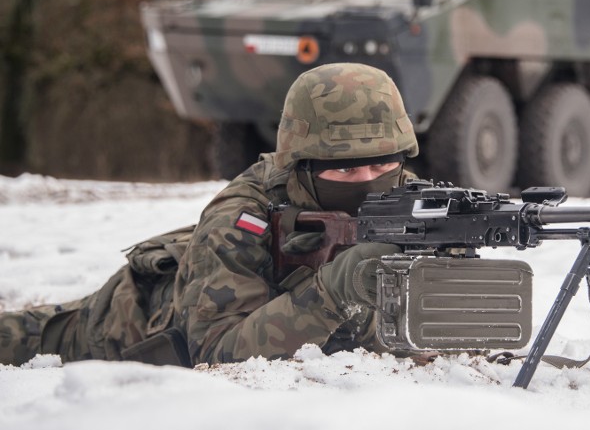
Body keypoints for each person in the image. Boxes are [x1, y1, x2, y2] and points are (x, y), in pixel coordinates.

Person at [0, 63, 419, 367]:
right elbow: (215, 352)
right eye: (345, 169)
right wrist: (332, 293)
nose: (368, 180)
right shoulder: (241, 217)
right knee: (21, 336)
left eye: (382, 165)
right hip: (128, 325)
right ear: (301, 164)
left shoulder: (413, 200)